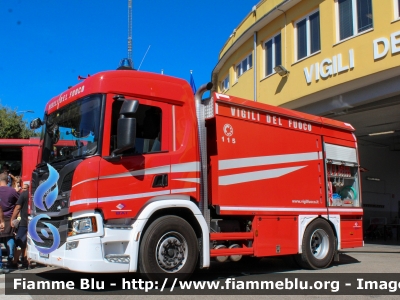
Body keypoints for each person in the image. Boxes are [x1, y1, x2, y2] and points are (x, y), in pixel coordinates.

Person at [0, 173, 19, 269]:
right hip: (10, 217)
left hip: (0, 218)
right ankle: (10, 257)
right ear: (7, 180)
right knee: (10, 237)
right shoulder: (11, 191)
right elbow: (20, 201)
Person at [11, 184, 29, 269]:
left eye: (25, 188)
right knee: (26, 243)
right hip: (33, 222)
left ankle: (15, 262)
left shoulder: (24, 195)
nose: (23, 189)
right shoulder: (37, 194)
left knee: (19, 242)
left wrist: (12, 219)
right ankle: (26, 261)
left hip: (24, 223)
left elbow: (18, 207)